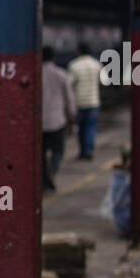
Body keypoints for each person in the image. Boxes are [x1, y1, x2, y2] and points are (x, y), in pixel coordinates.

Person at [41, 45, 76, 192]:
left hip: (39, 122)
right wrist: (72, 115)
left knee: (41, 153)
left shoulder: (34, 74)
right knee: (58, 151)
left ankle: (45, 176)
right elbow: (69, 98)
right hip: (57, 120)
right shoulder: (61, 74)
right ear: (53, 57)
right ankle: (52, 171)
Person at [68, 42, 104, 160]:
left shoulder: (74, 65)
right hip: (93, 101)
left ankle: (82, 151)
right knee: (91, 127)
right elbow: (104, 81)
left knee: (81, 128)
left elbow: (70, 83)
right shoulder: (96, 64)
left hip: (79, 102)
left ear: (79, 51)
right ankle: (89, 150)